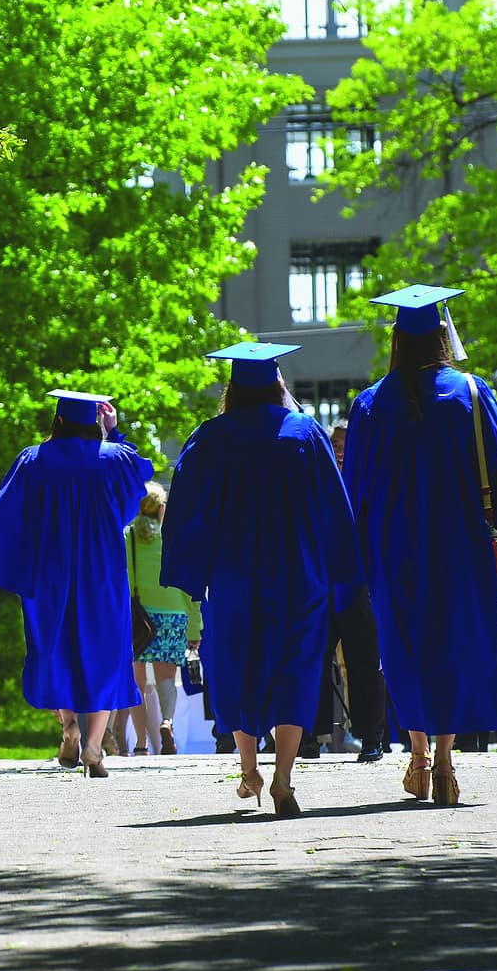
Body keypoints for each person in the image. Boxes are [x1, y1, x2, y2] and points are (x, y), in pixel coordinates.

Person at [342, 285, 497, 806]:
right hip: (461, 546)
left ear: (397, 340)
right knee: (452, 645)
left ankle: (419, 757)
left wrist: (356, 558)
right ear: (443, 336)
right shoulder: (471, 393)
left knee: (405, 647)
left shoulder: (370, 405)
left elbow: (353, 488)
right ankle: (446, 764)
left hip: (391, 548)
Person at [160, 342, 361, 818]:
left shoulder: (210, 438)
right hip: (299, 576)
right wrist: (342, 568)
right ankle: (283, 779)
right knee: (295, 668)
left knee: (238, 666)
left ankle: (249, 768)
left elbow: (186, 511)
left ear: (232, 389)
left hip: (233, 579)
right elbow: (335, 506)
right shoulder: (305, 434)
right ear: (278, 385)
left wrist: (192, 570)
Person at [0, 390, 152, 778]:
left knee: (53, 647)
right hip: (102, 573)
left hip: (49, 572)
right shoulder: (114, 459)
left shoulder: (34, 460)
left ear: (57, 423)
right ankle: (94, 746)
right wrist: (112, 432)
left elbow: (1, 517)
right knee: (105, 651)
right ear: (94, 423)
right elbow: (134, 494)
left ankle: (69, 727)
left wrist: (18, 559)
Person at [317, 422, 396, 762]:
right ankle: (311, 736)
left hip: (360, 584)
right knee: (313, 660)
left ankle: (371, 738)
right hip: (322, 583)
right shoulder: (318, 481)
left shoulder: (367, 482)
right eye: (335, 444)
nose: (340, 450)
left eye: (346, 444)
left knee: (365, 660)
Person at [123, 482, 203, 755]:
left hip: (138, 617)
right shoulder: (174, 537)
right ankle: (167, 722)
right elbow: (188, 586)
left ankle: (142, 743)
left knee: (137, 682)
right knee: (166, 679)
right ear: (160, 508)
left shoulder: (127, 537)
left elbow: (123, 579)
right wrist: (195, 627)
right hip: (174, 614)